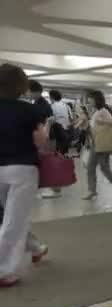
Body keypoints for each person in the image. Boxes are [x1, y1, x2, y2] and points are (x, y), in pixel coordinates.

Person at [0, 64, 49, 287]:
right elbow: (41, 141)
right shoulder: (28, 110)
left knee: (9, 218)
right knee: (14, 219)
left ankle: (36, 248)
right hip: (22, 169)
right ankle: (4, 271)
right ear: (21, 86)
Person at [82, 90, 112, 200]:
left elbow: (111, 123)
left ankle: (92, 191)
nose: (88, 101)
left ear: (96, 99)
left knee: (92, 167)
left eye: (90, 99)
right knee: (103, 168)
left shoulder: (103, 111)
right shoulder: (97, 111)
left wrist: (101, 122)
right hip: (96, 143)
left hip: (101, 144)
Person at [49, 90, 72, 156]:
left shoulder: (52, 106)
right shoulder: (66, 106)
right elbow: (71, 118)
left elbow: (51, 119)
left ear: (52, 97)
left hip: (57, 130)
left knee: (57, 149)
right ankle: (63, 161)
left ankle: (57, 162)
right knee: (63, 150)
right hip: (66, 130)